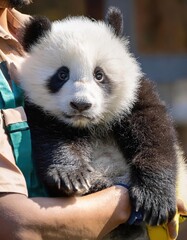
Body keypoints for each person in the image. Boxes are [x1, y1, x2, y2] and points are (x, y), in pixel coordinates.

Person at [0, 1, 186, 240]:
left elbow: (151, 124)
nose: (81, 97)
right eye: (63, 76)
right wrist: (126, 202)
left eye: (99, 76)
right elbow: (16, 223)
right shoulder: (42, 43)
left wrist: (157, 179)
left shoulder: (34, 30)